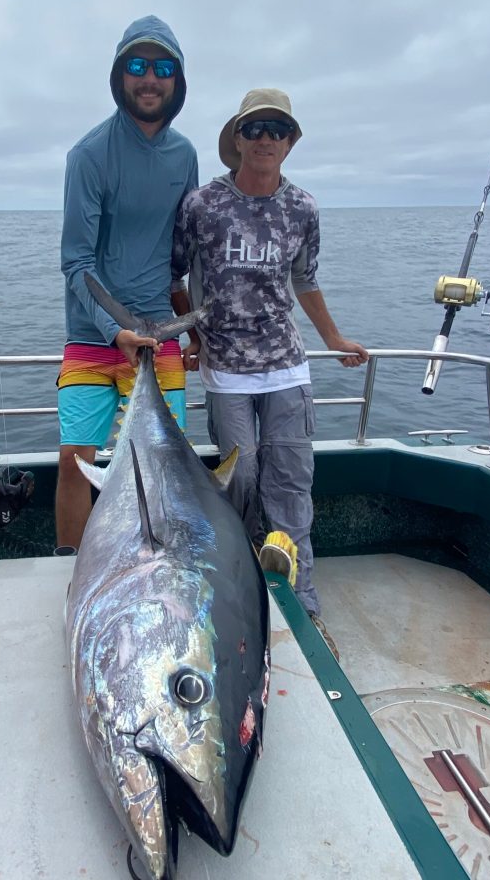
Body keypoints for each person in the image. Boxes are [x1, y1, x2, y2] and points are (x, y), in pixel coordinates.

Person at [172, 88, 368, 625]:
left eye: (277, 129)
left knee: (290, 481)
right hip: (226, 370)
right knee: (240, 479)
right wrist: (193, 336)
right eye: (254, 128)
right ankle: (233, 589)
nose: (265, 138)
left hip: (286, 364)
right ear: (237, 139)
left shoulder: (303, 208)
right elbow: (173, 276)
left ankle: (301, 604)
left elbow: (304, 279)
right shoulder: (202, 205)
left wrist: (333, 338)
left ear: (291, 142)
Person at [56, 16, 198, 553]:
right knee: (76, 462)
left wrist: (194, 324)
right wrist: (114, 328)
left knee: (165, 468)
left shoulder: (185, 155)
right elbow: (76, 262)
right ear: (120, 76)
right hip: (94, 338)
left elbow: (179, 255)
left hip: (160, 336)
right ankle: (71, 571)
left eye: (163, 68)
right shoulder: (88, 156)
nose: (149, 79)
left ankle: (158, 569)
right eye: (137, 66)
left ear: (176, 82)